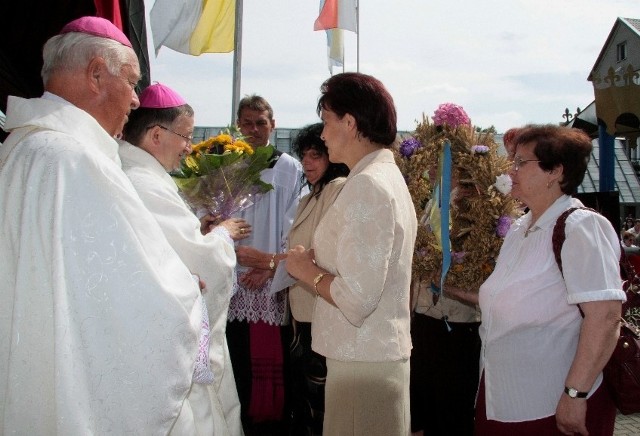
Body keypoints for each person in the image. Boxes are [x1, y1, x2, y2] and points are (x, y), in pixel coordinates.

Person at [0, 17, 204, 434]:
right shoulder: (74, 161)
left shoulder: (22, 149)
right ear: (96, 74)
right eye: (130, 82)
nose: (134, 101)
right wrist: (188, 287)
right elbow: (142, 303)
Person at [286, 72, 418, 436]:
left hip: (363, 363)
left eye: (327, 122)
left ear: (350, 122)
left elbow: (358, 299)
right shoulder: (380, 176)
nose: (323, 133)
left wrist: (305, 270)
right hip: (367, 358)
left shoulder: (368, 185)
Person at [475, 125, 626, 436]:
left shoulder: (581, 226)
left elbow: (606, 317)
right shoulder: (520, 228)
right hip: (503, 397)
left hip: (550, 403)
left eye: (520, 162)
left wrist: (575, 394)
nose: (511, 170)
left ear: (555, 171)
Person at [119, 82, 251, 436]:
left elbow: (173, 245)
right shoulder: (143, 180)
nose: (189, 147)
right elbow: (199, 259)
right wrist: (222, 234)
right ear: (157, 135)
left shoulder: (143, 174)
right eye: (185, 136)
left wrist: (200, 229)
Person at [234, 122, 350, 435]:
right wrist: (270, 264)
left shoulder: (337, 190)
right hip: (303, 312)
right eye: (304, 155)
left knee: (319, 399)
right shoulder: (311, 195)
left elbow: (317, 254)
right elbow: (293, 247)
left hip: (323, 309)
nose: (308, 162)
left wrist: (266, 261)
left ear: (332, 158)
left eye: (317, 155)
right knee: (304, 396)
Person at [226, 94, 307, 435]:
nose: (254, 129)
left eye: (261, 123)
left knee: (273, 359)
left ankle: (269, 424)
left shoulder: (289, 167)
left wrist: (269, 267)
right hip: (233, 278)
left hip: (271, 278)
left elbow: (294, 223)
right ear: (238, 126)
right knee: (237, 359)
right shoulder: (226, 165)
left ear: (273, 126)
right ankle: (240, 418)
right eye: (247, 123)